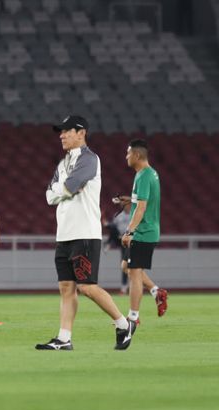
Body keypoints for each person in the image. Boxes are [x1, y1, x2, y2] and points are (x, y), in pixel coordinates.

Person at [36, 115, 135, 351]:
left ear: (81, 133)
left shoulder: (90, 159)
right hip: (64, 234)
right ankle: (64, 338)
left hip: (85, 233)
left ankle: (124, 323)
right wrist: (65, 188)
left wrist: (64, 188)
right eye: (60, 132)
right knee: (66, 288)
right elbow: (50, 195)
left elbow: (69, 186)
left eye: (66, 131)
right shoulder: (63, 163)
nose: (61, 135)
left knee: (86, 286)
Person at [120, 139, 168, 325]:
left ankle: (133, 317)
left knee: (134, 271)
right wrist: (127, 200)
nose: (126, 157)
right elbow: (141, 203)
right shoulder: (148, 174)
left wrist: (129, 232)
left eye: (128, 153)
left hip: (143, 231)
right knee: (126, 267)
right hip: (146, 230)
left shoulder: (144, 175)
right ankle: (157, 292)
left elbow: (141, 208)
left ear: (137, 155)